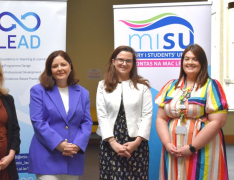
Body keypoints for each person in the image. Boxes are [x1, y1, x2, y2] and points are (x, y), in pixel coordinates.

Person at [155, 44, 229, 179]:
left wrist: (192, 148)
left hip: (202, 148)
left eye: (195, 59)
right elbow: (160, 118)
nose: (190, 62)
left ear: (202, 62)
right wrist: (167, 144)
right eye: (186, 59)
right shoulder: (171, 86)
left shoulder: (211, 86)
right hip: (173, 148)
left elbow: (218, 121)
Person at [28, 50, 93, 180]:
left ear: (70, 66)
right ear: (49, 69)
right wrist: (59, 144)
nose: (60, 69)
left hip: (72, 155)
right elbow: (38, 121)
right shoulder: (38, 91)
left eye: (63, 64)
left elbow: (86, 122)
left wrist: (78, 145)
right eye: (54, 66)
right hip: (46, 154)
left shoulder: (83, 93)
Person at [96, 45, 153, 180]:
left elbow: (147, 116)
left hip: (136, 144)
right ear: (113, 61)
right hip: (110, 142)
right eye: (120, 60)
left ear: (133, 64)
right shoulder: (102, 85)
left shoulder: (143, 87)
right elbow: (102, 115)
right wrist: (113, 143)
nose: (124, 63)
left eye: (128, 61)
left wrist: (137, 142)